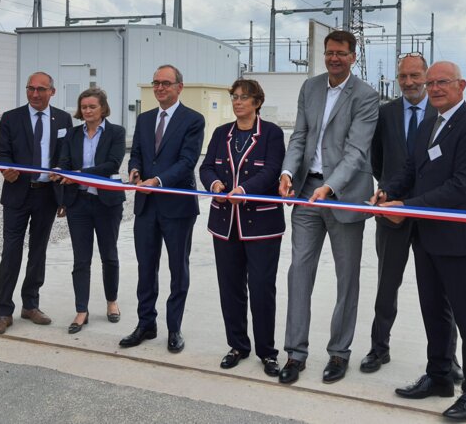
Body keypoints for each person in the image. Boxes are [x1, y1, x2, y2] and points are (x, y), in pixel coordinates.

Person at [376, 61, 466, 421]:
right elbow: (412, 170)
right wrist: (387, 191)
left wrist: (406, 206)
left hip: (458, 240)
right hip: (427, 237)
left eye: (442, 82)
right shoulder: (431, 123)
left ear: (461, 84)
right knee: (433, 310)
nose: (435, 89)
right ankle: (439, 376)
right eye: (431, 84)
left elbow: (462, 187)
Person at [277, 30, 379, 385]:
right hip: (307, 192)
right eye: (329, 52)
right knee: (298, 273)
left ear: (353, 56)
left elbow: (356, 151)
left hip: (344, 195)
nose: (334, 58)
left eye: (341, 53)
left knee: (346, 279)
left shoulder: (366, 96)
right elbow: (300, 136)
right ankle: (295, 353)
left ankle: (339, 353)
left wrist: (330, 186)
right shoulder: (311, 87)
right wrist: (288, 172)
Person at [361, 53, 463, 383]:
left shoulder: (442, 112)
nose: (409, 82)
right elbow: (377, 161)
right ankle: (379, 347)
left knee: (440, 292)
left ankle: (449, 358)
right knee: (386, 285)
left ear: (428, 76)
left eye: (415, 75)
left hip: (432, 215)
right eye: (403, 76)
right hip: (392, 216)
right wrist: (389, 194)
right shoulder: (385, 113)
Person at [199, 79, 286, 377]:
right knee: (231, 287)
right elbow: (206, 166)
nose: (238, 102)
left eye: (244, 98)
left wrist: (245, 189)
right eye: (235, 97)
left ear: (257, 102)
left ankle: (267, 352)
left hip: (261, 224)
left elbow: (272, 170)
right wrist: (215, 183)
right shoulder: (222, 133)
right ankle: (237, 345)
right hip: (225, 224)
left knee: (262, 288)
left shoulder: (271, 133)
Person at [120, 65, 205, 353]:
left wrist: (156, 180)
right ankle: (146, 324)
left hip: (177, 207)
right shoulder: (144, 120)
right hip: (146, 207)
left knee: (177, 269)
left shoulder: (193, 120)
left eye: (166, 83)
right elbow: (139, 155)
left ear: (180, 87)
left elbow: (187, 161)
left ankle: (174, 328)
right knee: (146, 268)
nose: (160, 88)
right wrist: (134, 170)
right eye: (156, 83)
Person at [0, 71, 73, 334]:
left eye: (41, 89)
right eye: (30, 89)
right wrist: (6, 169)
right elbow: (4, 153)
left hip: (47, 195)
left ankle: (30, 305)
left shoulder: (63, 119)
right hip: (17, 193)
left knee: (38, 252)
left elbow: (65, 158)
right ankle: (4, 311)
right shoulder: (11, 118)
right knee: (11, 252)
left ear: (52, 92)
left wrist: (63, 194)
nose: (35, 94)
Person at [51, 88, 126, 334]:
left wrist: (80, 174)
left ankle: (111, 301)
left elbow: (112, 164)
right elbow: (64, 161)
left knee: (109, 255)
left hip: (107, 203)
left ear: (103, 108)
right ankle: (81, 309)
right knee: (81, 259)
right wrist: (61, 172)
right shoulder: (72, 134)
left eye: (92, 106)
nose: (87, 111)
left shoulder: (116, 132)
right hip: (78, 203)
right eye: (84, 107)